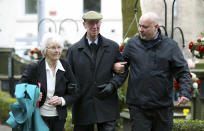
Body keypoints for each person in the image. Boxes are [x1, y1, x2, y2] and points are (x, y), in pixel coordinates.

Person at [113, 12, 191, 131]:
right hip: (138, 107)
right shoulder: (132, 44)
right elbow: (121, 67)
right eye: (140, 26)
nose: (140, 29)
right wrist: (115, 66)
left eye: (145, 27)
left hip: (163, 108)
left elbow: (182, 71)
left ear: (156, 27)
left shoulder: (171, 46)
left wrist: (184, 92)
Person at [66, 11, 127, 131]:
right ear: (84, 25)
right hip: (82, 106)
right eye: (91, 23)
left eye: (97, 23)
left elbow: (123, 70)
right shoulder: (73, 50)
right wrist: (72, 92)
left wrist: (112, 85)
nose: (95, 27)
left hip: (106, 104)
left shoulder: (112, 47)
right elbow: (67, 77)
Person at [19, 33, 78, 131]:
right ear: (45, 50)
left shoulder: (65, 66)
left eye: (59, 47)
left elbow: (75, 91)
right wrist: (32, 95)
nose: (57, 51)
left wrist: (62, 100)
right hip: (38, 117)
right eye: (53, 48)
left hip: (59, 119)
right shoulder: (34, 67)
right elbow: (20, 88)